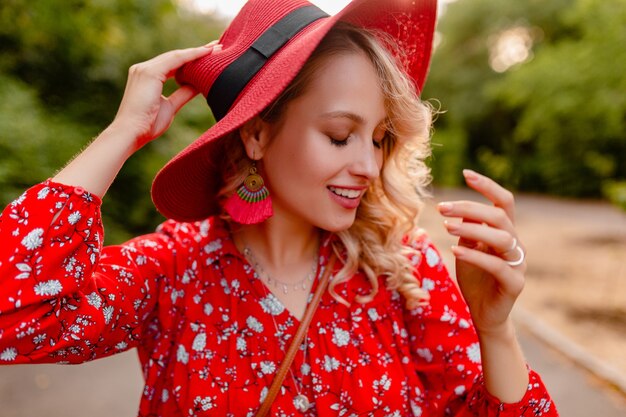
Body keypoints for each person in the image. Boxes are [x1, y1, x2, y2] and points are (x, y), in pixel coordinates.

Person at [0, 0, 559, 415]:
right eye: (341, 136)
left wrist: (496, 331)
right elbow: (15, 315)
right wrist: (122, 135)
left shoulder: (406, 272)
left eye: (381, 138)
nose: (368, 164)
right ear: (257, 136)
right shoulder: (174, 271)